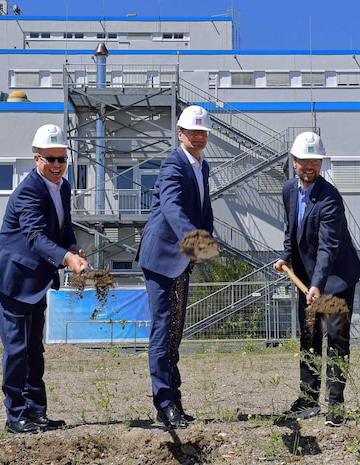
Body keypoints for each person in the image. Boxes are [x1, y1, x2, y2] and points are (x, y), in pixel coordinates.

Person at [0, 124, 89, 434]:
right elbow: (34, 236)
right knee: (16, 350)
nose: (57, 166)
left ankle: (37, 412)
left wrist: (70, 244)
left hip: (37, 280)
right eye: (50, 159)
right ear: (36, 159)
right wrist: (66, 258)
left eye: (61, 159)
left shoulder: (63, 187)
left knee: (33, 350)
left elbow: (63, 225)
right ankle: (15, 416)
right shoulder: (29, 190)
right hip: (13, 279)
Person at [274, 132, 360, 427]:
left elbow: (328, 248)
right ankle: (308, 399)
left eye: (315, 160)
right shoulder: (289, 189)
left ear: (320, 162)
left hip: (335, 280)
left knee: (336, 340)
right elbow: (291, 229)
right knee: (310, 340)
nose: (309, 166)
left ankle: (336, 405)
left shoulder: (330, 198)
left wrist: (317, 285)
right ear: (294, 161)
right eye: (304, 160)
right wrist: (286, 256)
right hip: (307, 278)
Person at [137, 105, 214, 429]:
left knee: (175, 332)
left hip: (182, 258)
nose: (197, 137)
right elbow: (171, 207)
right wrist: (196, 240)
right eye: (191, 132)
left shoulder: (201, 165)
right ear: (180, 134)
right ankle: (164, 403)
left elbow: (202, 210)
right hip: (161, 257)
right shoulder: (173, 164)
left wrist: (204, 240)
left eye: (202, 132)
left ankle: (175, 399)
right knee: (163, 329)